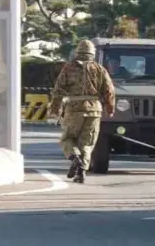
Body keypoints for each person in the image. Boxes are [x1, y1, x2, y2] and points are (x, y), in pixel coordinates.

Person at [48, 39, 116, 183]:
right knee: (87, 142)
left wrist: (55, 109)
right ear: (93, 53)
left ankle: (74, 158)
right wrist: (110, 108)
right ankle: (81, 172)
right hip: (94, 110)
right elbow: (109, 90)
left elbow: (58, 90)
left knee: (67, 138)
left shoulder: (69, 68)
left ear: (77, 52)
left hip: (74, 109)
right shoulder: (100, 69)